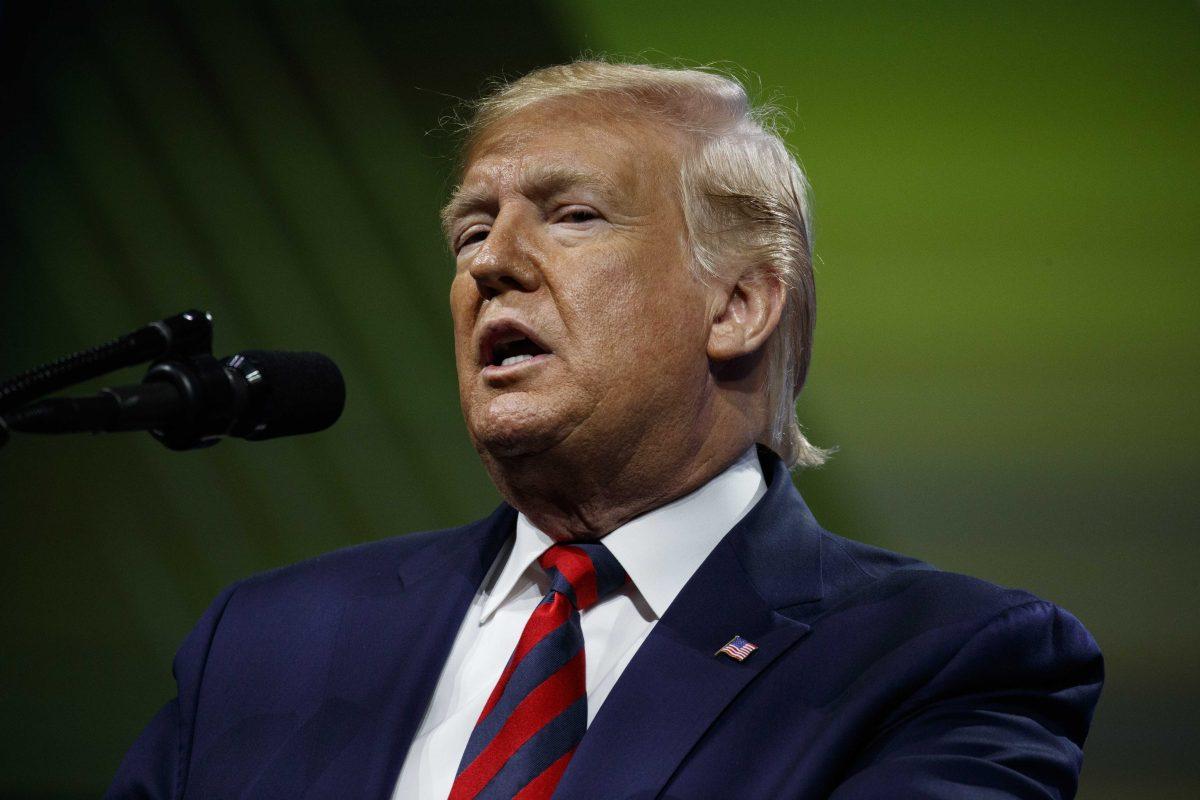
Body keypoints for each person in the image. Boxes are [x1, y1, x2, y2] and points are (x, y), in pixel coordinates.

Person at [107, 61, 1103, 800]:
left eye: (573, 215)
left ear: (740, 304)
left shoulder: (942, 659)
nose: (491, 262)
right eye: (469, 230)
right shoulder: (268, 642)